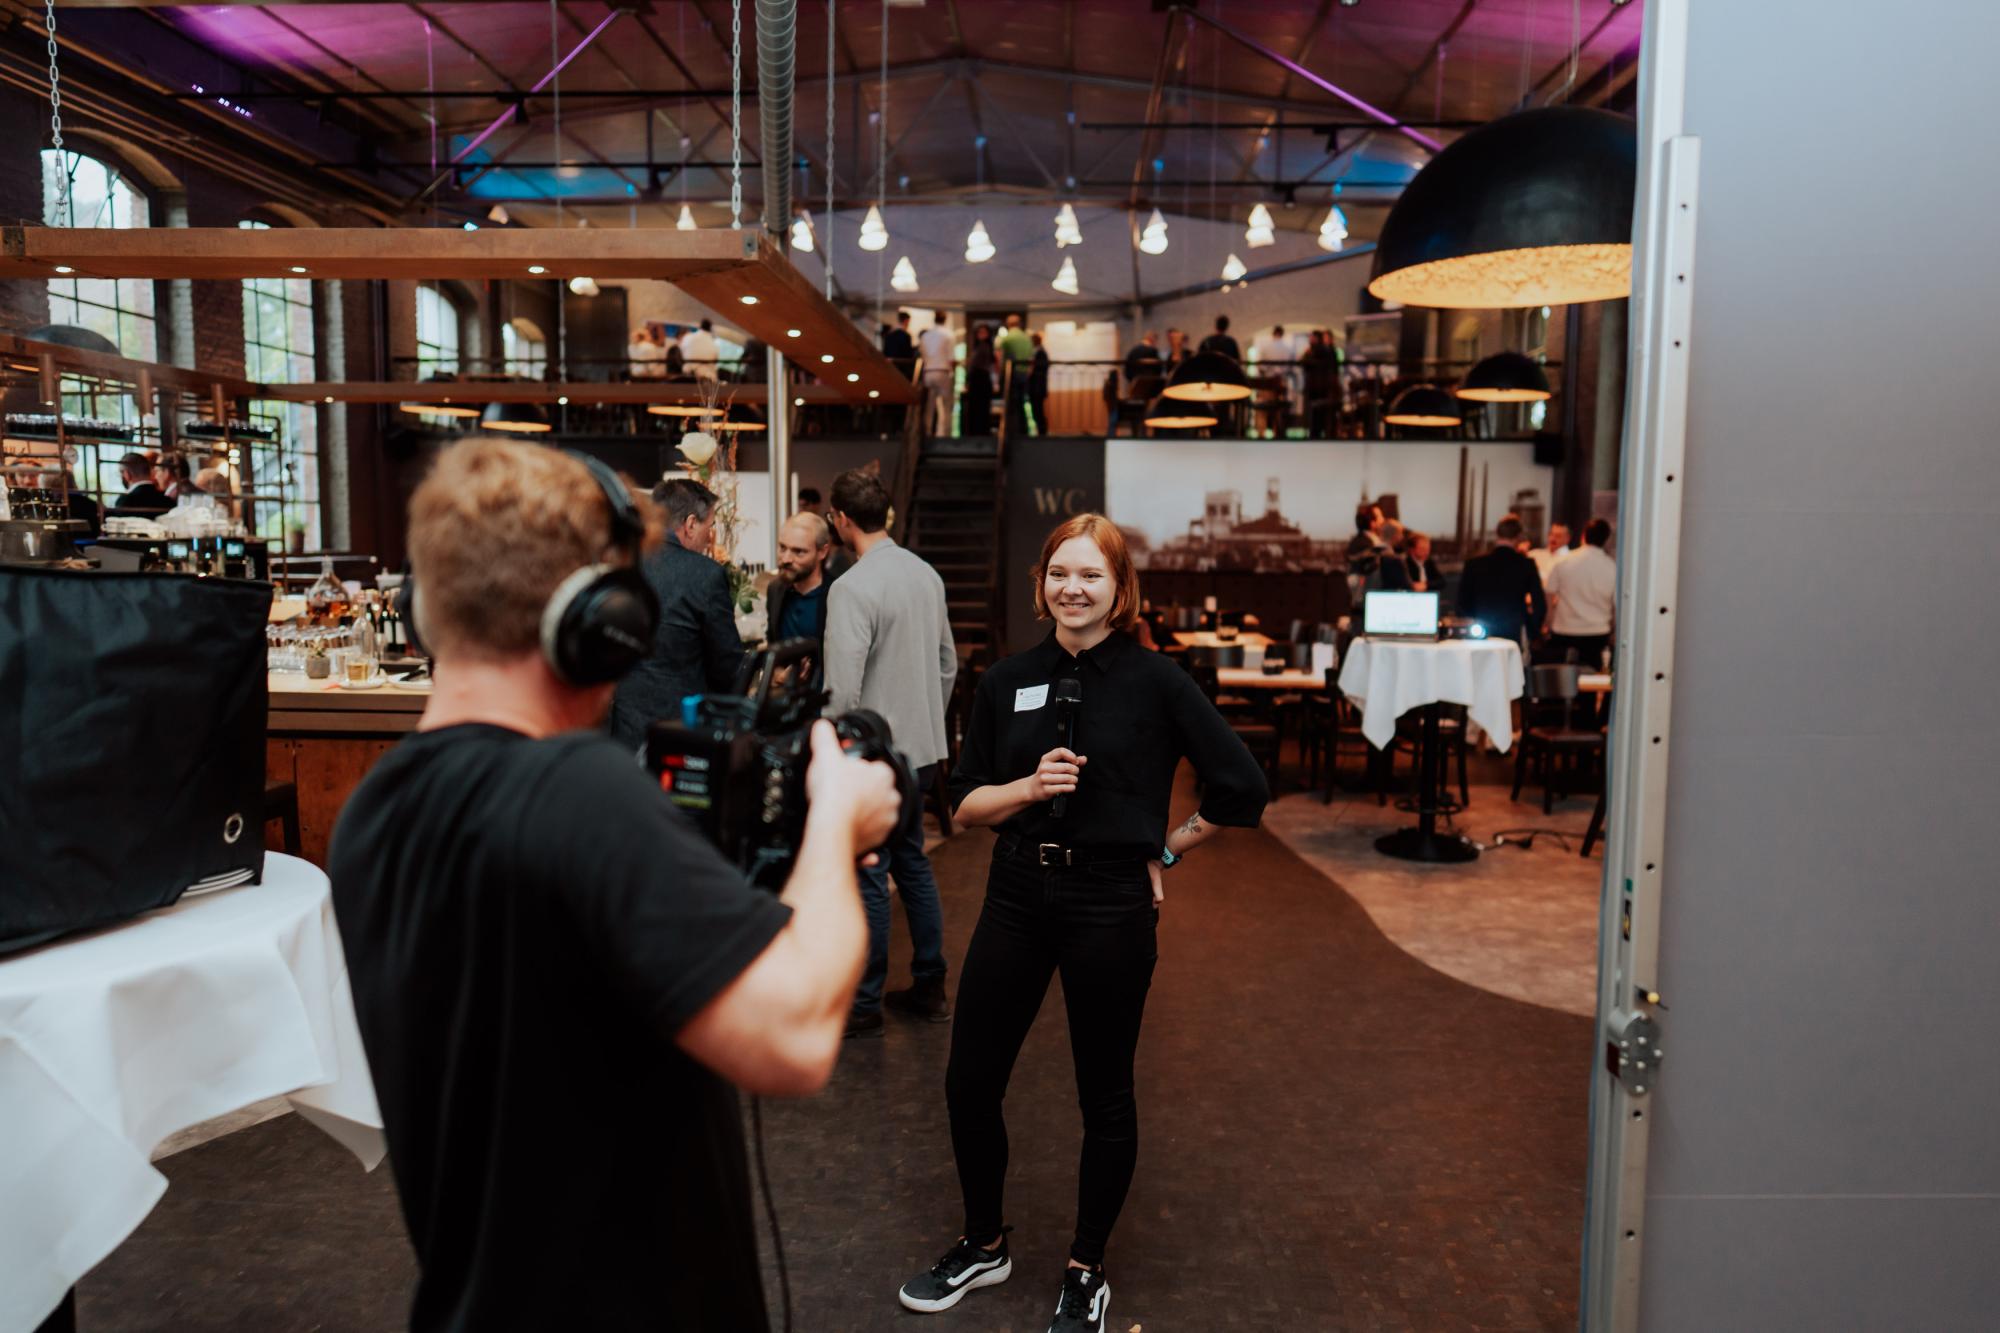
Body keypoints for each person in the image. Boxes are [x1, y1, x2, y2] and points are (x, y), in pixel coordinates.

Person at [328, 437, 901, 1333]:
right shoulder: (579, 793)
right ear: (605, 621)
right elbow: (791, 1036)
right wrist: (836, 821)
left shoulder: (375, 808)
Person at [898, 513, 1266, 1332]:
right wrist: (1029, 788)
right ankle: (984, 1242)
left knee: (1104, 1093)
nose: (1073, 588)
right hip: (1017, 893)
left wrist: (1163, 850)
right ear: (1042, 584)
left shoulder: (1158, 681)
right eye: (1060, 573)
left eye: (1091, 574)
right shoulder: (1007, 679)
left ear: (1120, 588)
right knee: (969, 1080)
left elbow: (1242, 786)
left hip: (1110, 904)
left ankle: (1085, 1268)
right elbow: (966, 803)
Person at [822, 468, 957, 1037]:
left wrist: (833, 754)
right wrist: (924, 718)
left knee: (870, 872)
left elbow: (841, 691)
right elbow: (948, 663)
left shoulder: (851, 587)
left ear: (840, 520)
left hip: (874, 757)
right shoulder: (926, 574)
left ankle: (863, 1004)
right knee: (912, 863)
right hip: (921, 752)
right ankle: (929, 985)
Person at [608, 477, 746, 749]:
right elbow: (726, 664)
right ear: (691, 524)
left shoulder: (620, 563)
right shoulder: (705, 574)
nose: (710, 537)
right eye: (710, 527)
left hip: (623, 723)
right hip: (680, 726)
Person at [1455, 514, 1547, 650]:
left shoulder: (1474, 565)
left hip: (1480, 631)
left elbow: (1462, 603)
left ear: (1497, 534)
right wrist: (1533, 632)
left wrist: (1470, 627)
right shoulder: (1526, 565)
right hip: (1513, 630)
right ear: (1518, 537)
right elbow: (1539, 604)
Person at [1543, 517, 1616, 668]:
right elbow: (1616, 605)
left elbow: (1548, 595)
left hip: (1564, 629)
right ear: (1606, 540)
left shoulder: (1563, 562)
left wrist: (1548, 622)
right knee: (1594, 675)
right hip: (1598, 632)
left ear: (1583, 536)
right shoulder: (1612, 567)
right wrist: (1613, 629)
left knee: (1562, 677)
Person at [767, 510, 841, 647]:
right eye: (782, 548)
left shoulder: (838, 596)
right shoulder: (775, 589)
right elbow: (772, 641)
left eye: (799, 552)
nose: (786, 559)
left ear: (822, 552)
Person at [1343, 501, 1389, 609]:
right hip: (1364, 603)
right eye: (1380, 516)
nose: (1384, 520)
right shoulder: (1361, 543)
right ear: (1372, 523)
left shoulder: (1373, 541)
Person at [919, 311, 956, 438]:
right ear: (945, 319)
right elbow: (951, 358)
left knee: (929, 405)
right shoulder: (948, 334)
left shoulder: (926, 335)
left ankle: (927, 431)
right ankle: (943, 433)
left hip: (928, 371)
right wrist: (953, 372)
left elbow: (922, 355)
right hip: (942, 371)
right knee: (945, 405)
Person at [998, 314, 1035, 435]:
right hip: (1024, 374)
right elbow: (1031, 359)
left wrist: (1000, 375)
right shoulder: (1027, 338)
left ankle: (1013, 430)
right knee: (1022, 403)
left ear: (1008, 324)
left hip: (1012, 374)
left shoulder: (1007, 338)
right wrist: (1028, 372)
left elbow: (1001, 358)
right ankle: (1024, 430)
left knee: (1011, 403)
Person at [110, 451, 173, 518]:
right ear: (149, 471)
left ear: (127, 474)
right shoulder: (168, 501)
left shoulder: (124, 502)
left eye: (120, 474)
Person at [1381, 529, 1442, 594]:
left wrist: (1426, 585)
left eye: (1428, 549)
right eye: (1422, 549)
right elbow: (1404, 584)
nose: (1426, 552)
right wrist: (1414, 586)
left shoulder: (1428, 562)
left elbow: (1441, 581)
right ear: (1411, 550)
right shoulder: (1402, 563)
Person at [964, 323, 997, 435]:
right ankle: (980, 431)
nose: (981, 335)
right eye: (979, 332)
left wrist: (968, 379)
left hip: (980, 379)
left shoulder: (983, 347)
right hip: (980, 379)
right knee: (980, 407)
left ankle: (978, 432)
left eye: (984, 332)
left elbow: (975, 365)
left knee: (979, 407)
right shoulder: (982, 347)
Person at [680, 318, 720, 382]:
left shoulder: (687, 337)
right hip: (707, 378)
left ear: (700, 326)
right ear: (710, 328)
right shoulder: (714, 344)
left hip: (687, 377)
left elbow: (681, 354)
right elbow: (715, 361)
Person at [1028, 332, 1051, 437]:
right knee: (1037, 409)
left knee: (1038, 410)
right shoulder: (1039, 352)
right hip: (1037, 386)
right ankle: (1041, 431)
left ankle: (1042, 431)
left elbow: (1040, 369)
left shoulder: (1040, 352)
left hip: (1037, 387)